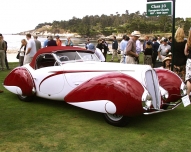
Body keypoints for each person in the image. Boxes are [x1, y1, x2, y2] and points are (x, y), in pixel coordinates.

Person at [184, 30, 191, 96]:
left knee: (189, 79)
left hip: (189, 60)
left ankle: (187, 95)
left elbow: (185, 52)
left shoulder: (188, 42)